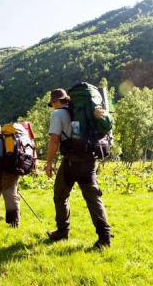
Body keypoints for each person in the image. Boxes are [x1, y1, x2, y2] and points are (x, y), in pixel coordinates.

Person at [44, 88, 112, 248]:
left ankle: (62, 231)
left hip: (72, 161)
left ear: (55, 102)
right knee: (93, 198)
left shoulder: (58, 114)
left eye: (52, 103)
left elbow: (54, 140)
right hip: (89, 159)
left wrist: (48, 162)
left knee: (60, 195)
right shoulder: (78, 111)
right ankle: (104, 238)